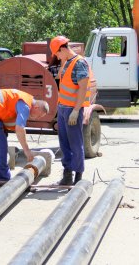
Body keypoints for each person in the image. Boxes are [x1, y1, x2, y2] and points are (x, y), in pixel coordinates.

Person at [50, 36, 91, 186]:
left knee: (75, 144)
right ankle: (67, 175)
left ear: (62, 49)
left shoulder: (80, 63)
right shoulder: (67, 62)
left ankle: (78, 177)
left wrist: (76, 110)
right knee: (64, 144)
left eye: (57, 54)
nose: (57, 57)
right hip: (62, 109)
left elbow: (83, 88)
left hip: (72, 110)